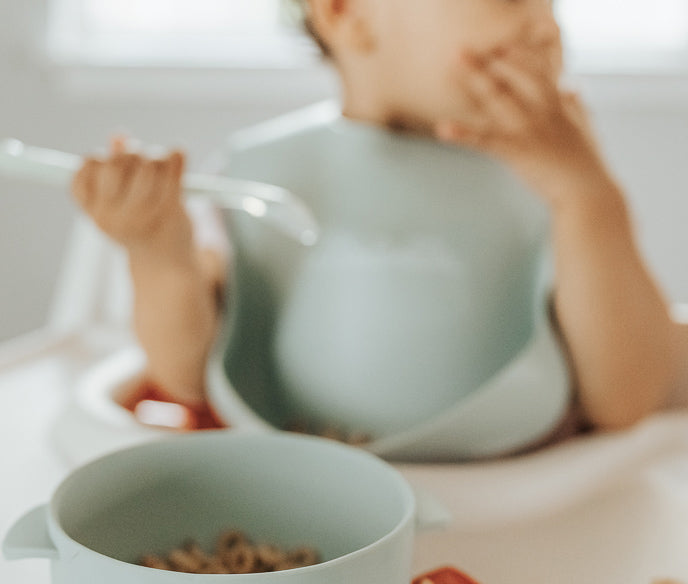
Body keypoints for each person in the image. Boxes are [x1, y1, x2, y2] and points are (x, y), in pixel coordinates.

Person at [71, 0, 682, 457]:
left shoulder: (557, 173)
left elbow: (627, 398)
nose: (547, 26)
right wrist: (157, 249)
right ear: (345, 12)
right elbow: (186, 373)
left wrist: (588, 197)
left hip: (522, 504)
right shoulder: (265, 176)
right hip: (312, 511)